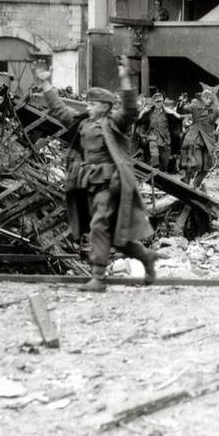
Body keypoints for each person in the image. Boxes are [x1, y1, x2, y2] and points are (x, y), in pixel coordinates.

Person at [34, 60, 157, 292]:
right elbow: (59, 109)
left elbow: (131, 110)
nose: (87, 107)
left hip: (110, 184)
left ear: (104, 106)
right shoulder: (83, 123)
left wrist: (126, 80)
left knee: (99, 224)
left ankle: (98, 278)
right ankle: (147, 257)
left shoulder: (114, 123)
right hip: (88, 183)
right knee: (115, 237)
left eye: (92, 103)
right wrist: (46, 83)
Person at [179, 87, 219, 187]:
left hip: (207, 140)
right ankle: (186, 179)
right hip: (195, 137)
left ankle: (195, 186)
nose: (208, 100)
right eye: (206, 98)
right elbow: (182, 110)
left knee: (207, 166)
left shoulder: (214, 110)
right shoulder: (195, 106)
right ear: (202, 98)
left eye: (210, 98)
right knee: (195, 163)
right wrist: (181, 103)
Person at [139, 91, 175, 172]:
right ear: (154, 103)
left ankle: (160, 175)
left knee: (164, 162)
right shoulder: (149, 113)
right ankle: (153, 171)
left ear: (163, 102)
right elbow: (140, 121)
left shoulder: (168, 112)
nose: (159, 103)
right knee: (155, 157)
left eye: (160, 101)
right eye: (157, 102)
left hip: (165, 139)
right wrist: (142, 112)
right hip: (153, 137)